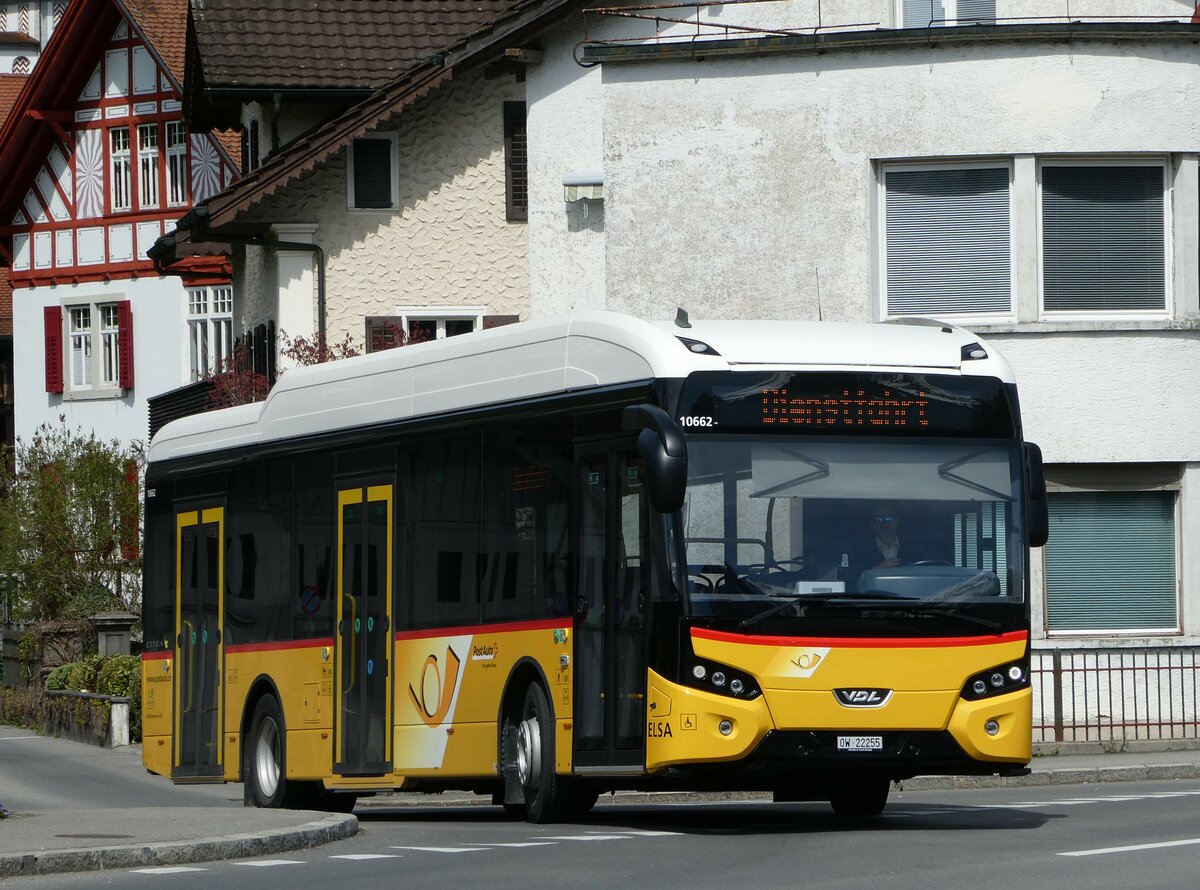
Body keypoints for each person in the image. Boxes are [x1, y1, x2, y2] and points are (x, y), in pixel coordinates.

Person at [846, 504, 922, 591]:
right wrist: (874, 571)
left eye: (889, 518)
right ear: (872, 525)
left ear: (897, 522)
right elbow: (851, 583)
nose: (885, 524)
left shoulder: (913, 546)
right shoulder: (860, 551)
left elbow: (926, 572)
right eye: (879, 520)